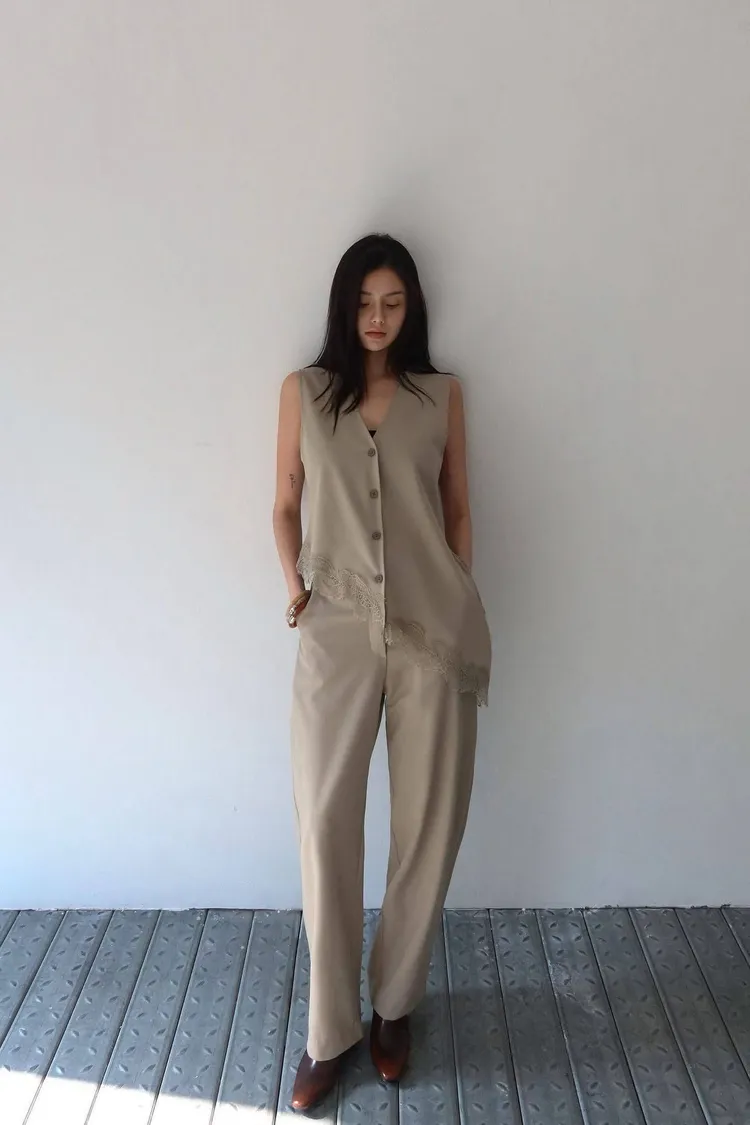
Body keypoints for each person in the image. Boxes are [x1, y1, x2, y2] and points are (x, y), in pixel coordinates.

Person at [273, 233, 491, 1112]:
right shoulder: (304, 391)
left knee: (427, 823)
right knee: (325, 819)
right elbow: (284, 502)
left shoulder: (442, 397)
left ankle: (394, 1004)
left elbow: (459, 507)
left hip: (432, 632)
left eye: (393, 302)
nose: (377, 317)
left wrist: (461, 592)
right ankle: (330, 1032)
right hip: (335, 628)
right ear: (344, 305)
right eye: (365, 302)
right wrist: (296, 589)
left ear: (413, 308)